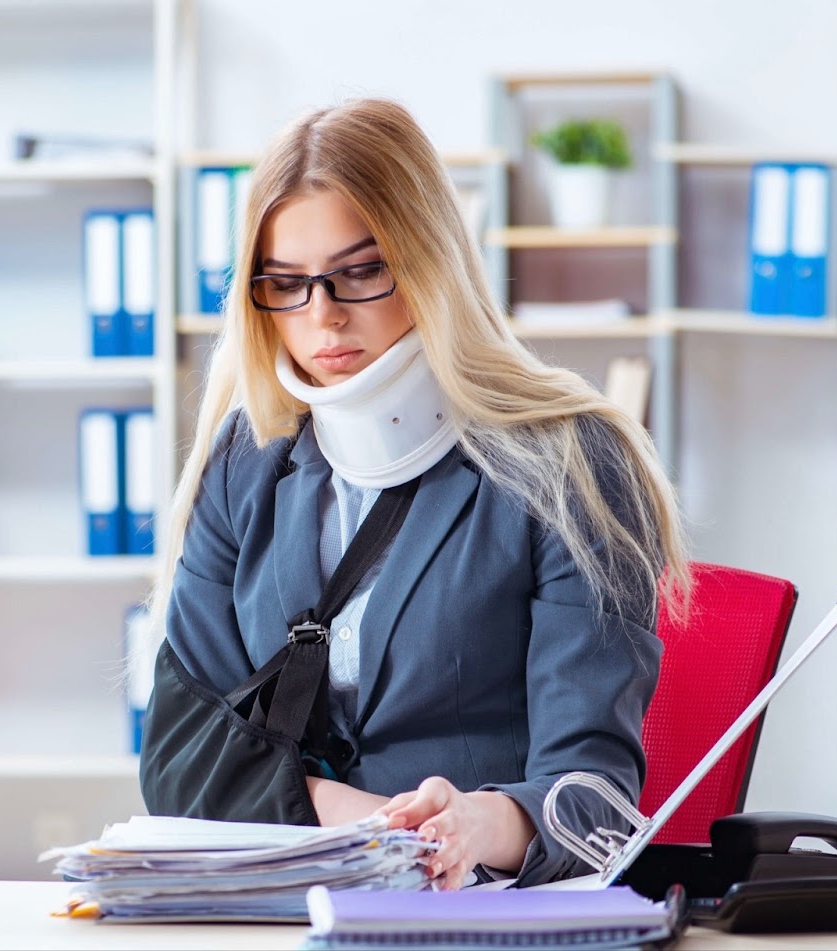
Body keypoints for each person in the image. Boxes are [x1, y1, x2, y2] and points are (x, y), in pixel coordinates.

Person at [141, 97, 691, 889]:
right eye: (286, 283)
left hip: (476, 908)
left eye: (360, 271)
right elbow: (182, 756)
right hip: (276, 902)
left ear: (430, 261)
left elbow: (597, 803)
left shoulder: (573, 466)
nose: (321, 315)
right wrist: (362, 822)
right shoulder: (245, 458)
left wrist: (478, 824)